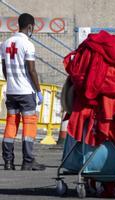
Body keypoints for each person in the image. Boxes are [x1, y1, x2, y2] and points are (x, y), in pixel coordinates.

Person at [1, 13, 45, 171]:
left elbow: (5, 68)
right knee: (29, 124)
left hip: (11, 91)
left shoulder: (6, 43)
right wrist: (38, 91)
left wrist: (11, 81)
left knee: (11, 124)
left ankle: (8, 161)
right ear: (30, 27)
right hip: (26, 92)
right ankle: (28, 161)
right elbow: (32, 70)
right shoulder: (28, 44)